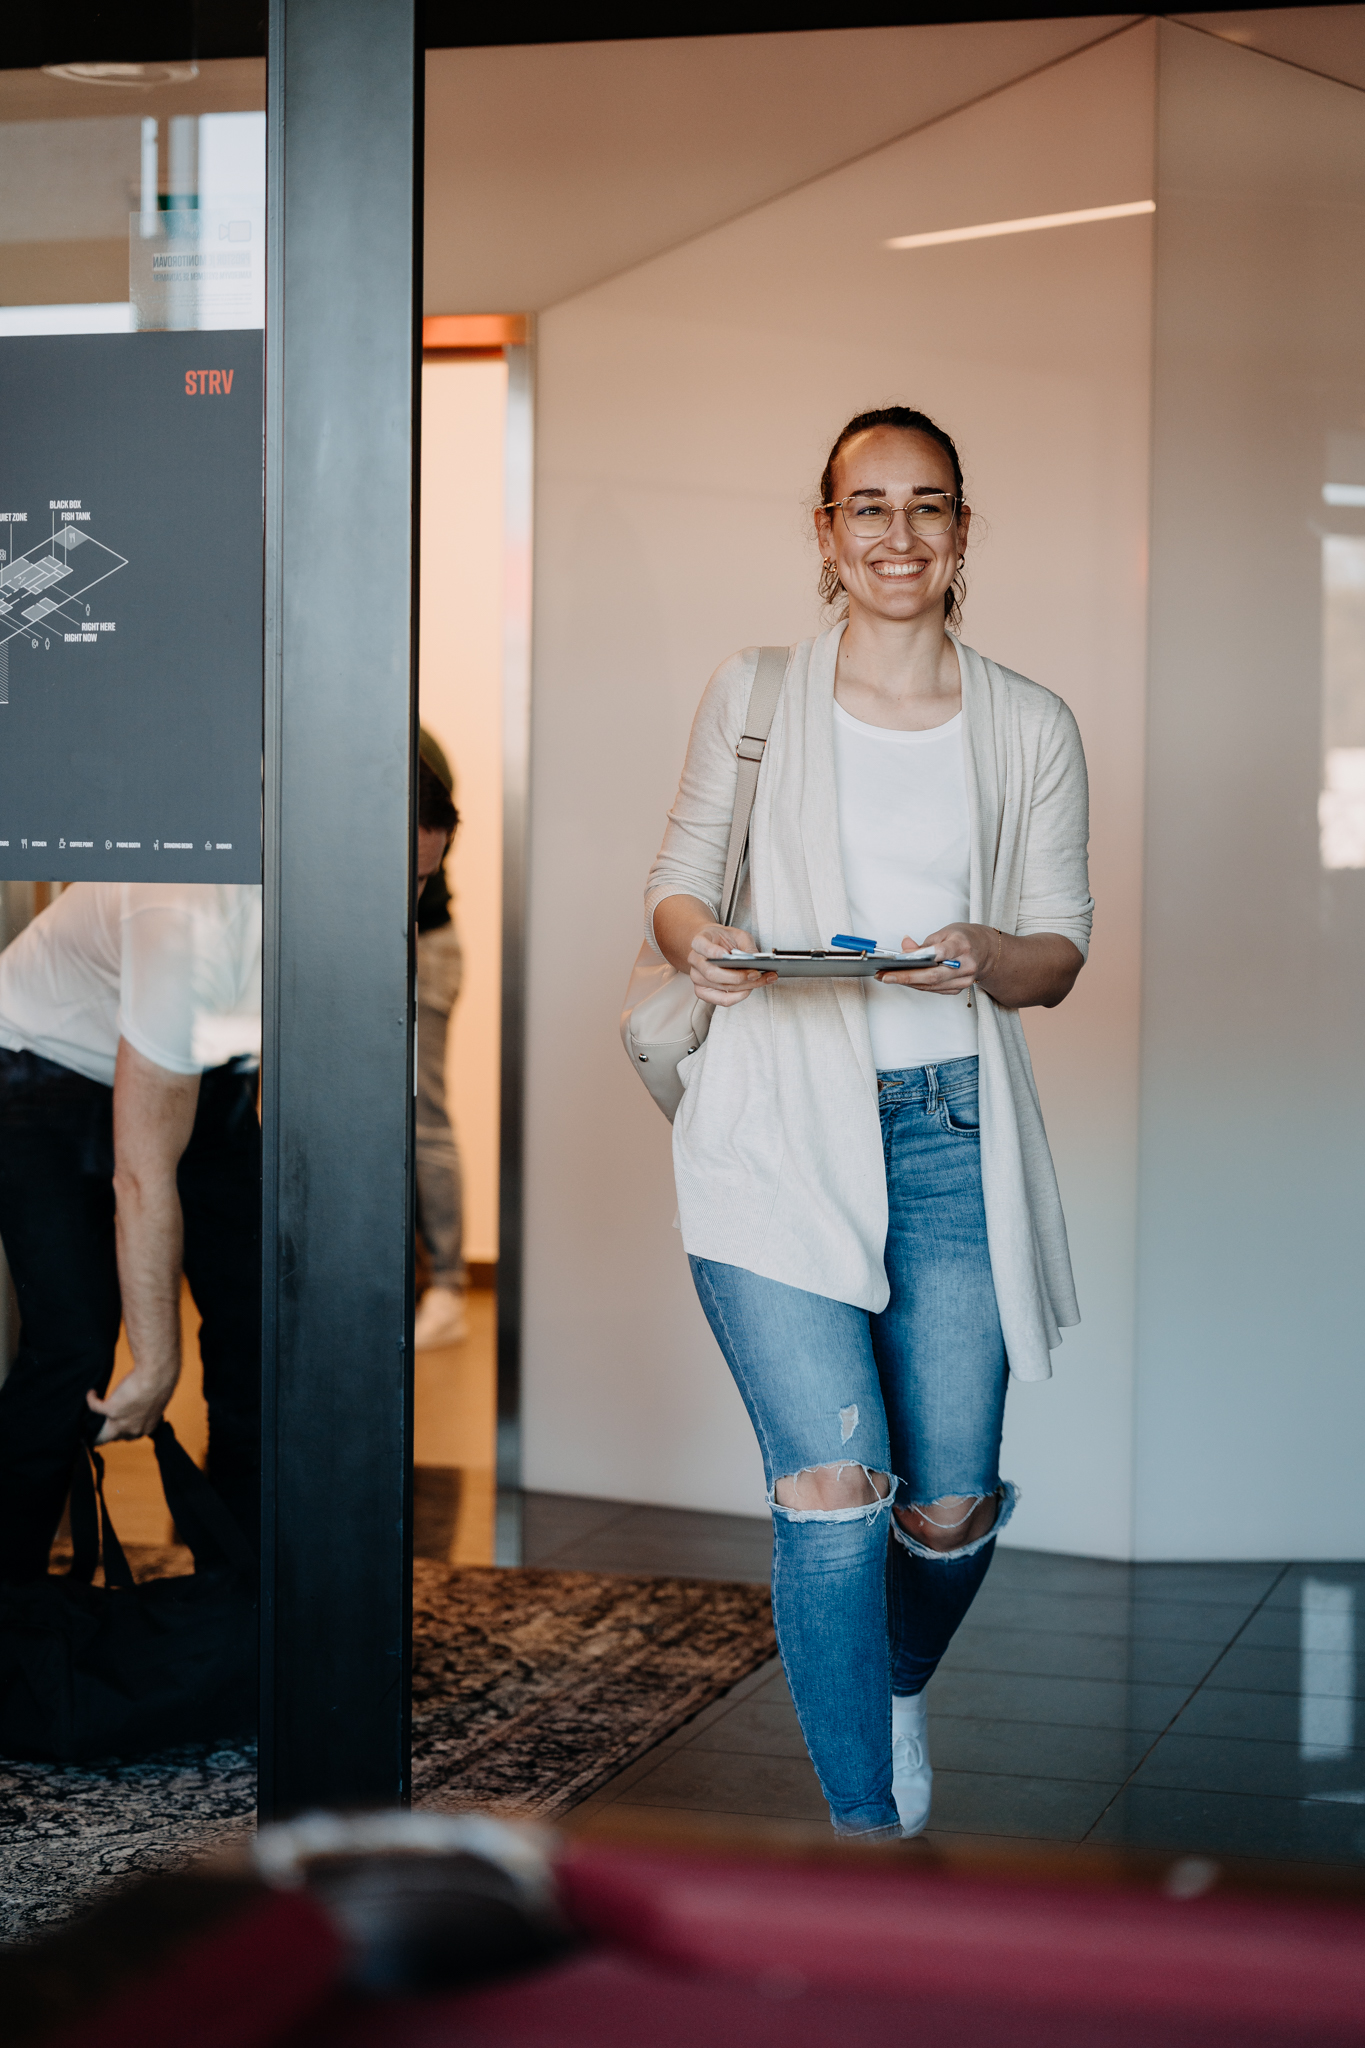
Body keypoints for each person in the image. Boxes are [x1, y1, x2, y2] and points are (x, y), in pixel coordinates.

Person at [644, 405, 1092, 1839]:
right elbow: (676, 882)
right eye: (866, 507)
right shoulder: (758, 689)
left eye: (927, 506)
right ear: (824, 531)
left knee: (946, 1505)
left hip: (950, 1130)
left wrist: (981, 953)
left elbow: (1060, 956)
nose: (897, 535)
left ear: (963, 531)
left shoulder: (1027, 722)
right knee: (831, 1491)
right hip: (774, 1117)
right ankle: (862, 1836)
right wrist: (700, 942)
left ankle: (890, 1681)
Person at [0, 883, 262, 1580]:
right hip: (40, 1059)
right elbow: (142, 1176)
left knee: (261, 1323)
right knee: (74, 1342)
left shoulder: (353, 920)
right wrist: (155, 1366)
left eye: (423, 882)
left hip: (197, 1062)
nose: (409, 906)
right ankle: (11, 1607)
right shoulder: (188, 920)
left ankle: (241, 1595)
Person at [413, 732, 467, 1348]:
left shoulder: (416, 742)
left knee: (426, 1119)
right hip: (410, 944)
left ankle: (450, 1287)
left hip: (427, 946)